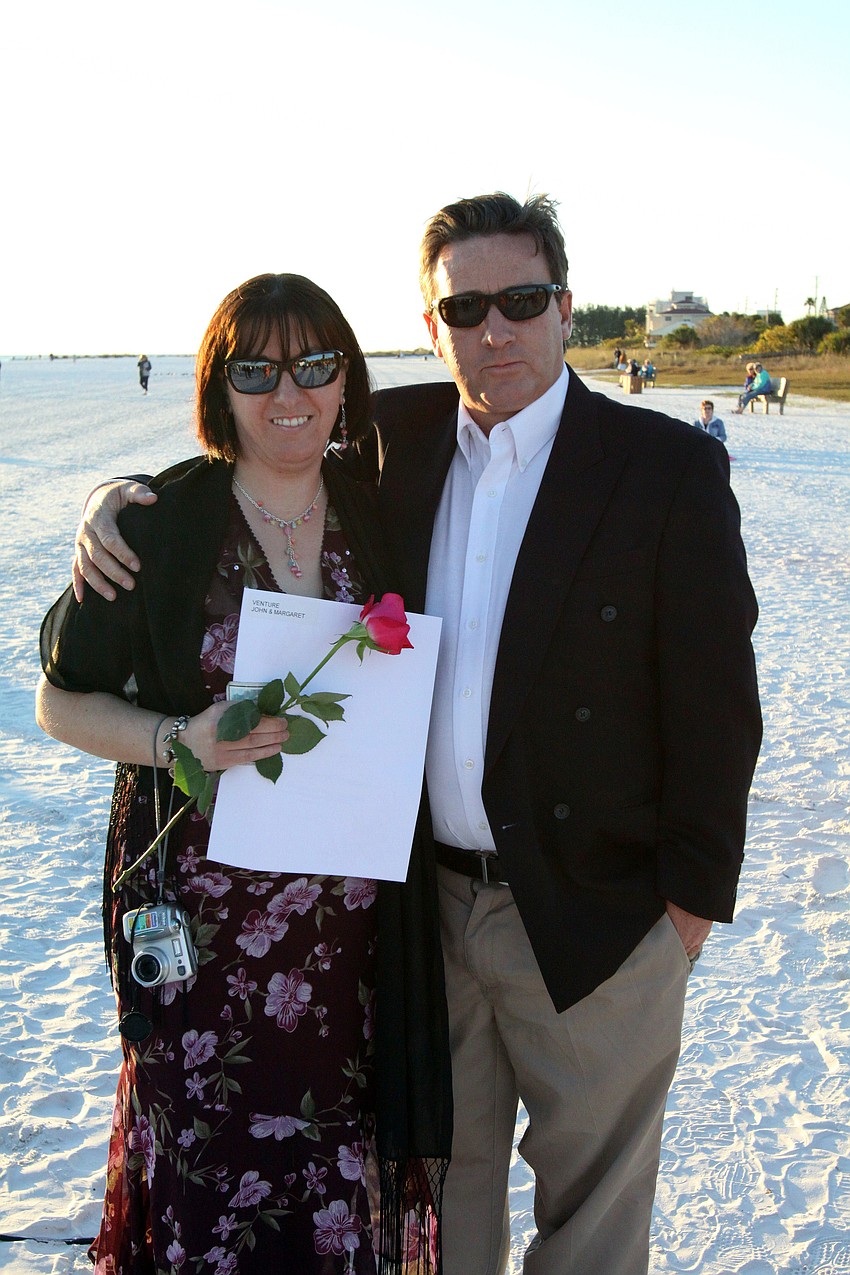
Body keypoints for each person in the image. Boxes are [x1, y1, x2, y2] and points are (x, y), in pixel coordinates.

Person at [72, 192, 762, 1275]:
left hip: (597, 909)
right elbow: (251, 451)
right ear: (430, 324)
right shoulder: (395, 445)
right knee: (442, 1203)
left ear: (565, 308)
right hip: (421, 916)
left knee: (593, 1219)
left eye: (520, 301)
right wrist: (113, 498)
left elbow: (720, 703)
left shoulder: (663, 468)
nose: (495, 330)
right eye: (466, 307)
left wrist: (682, 912)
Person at [37, 274, 452, 1274]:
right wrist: (180, 736)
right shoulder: (161, 526)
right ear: (218, 390)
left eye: (314, 365)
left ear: (347, 380)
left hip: (353, 950)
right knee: (209, 1187)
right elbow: (63, 701)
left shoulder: (387, 510)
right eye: (255, 370)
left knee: (334, 1189)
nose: (288, 394)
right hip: (204, 946)